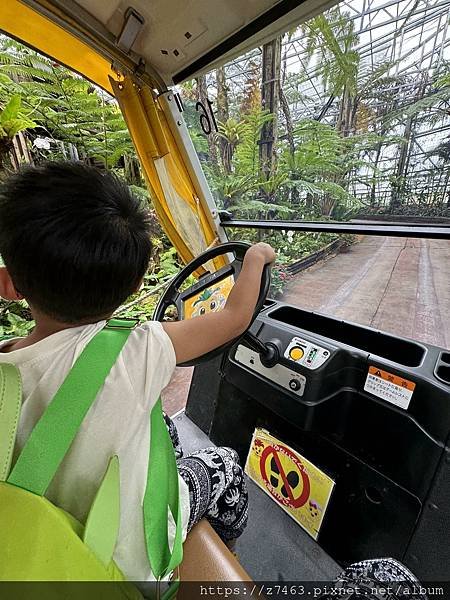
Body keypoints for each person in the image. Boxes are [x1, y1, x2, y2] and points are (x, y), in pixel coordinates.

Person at [0, 162, 276, 581]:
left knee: (162, 424)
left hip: (46, 551)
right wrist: (255, 258)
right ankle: (219, 561)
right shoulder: (140, 347)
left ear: (8, 285)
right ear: (133, 288)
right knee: (225, 465)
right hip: (134, 567)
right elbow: (235, 318)